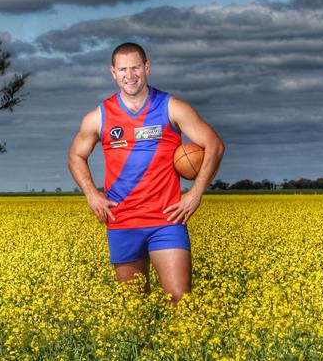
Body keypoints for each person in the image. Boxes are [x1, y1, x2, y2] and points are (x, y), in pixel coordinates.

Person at [67, 42, 225, 304]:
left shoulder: (171, 107)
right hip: (122, 220)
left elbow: (214, 145)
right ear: (113, 73)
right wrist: (92, 194)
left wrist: (196, 193)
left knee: (180, 300)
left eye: (136, 68)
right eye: (123, 69)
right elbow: (75, 156)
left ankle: (182, 345)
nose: (130, 75)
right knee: (135, 308)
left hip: (166, 220)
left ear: (147, 68)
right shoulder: (99, 116)